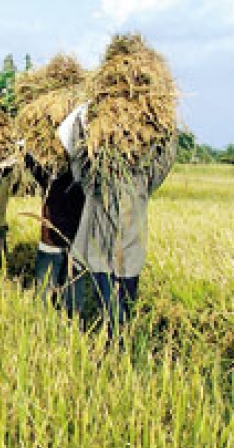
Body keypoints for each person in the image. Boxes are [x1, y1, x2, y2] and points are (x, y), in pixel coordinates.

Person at [61, 104, 176, 329]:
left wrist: (168, 128)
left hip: (125, 259)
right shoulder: (98, 176)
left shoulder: (136, 178)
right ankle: (115, 347)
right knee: (116, 314)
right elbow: (77, 158)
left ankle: (116, 346)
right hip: (109, 259)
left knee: (120, 313)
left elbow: (76, 158)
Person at [26, 154, 86, 316]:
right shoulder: (49, 167)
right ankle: (44, 325)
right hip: (51, 241)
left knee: (72, 299)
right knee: (44, 295)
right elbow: (33, 163)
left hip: (75, 242)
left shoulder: (85, 166)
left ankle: (71, 326)